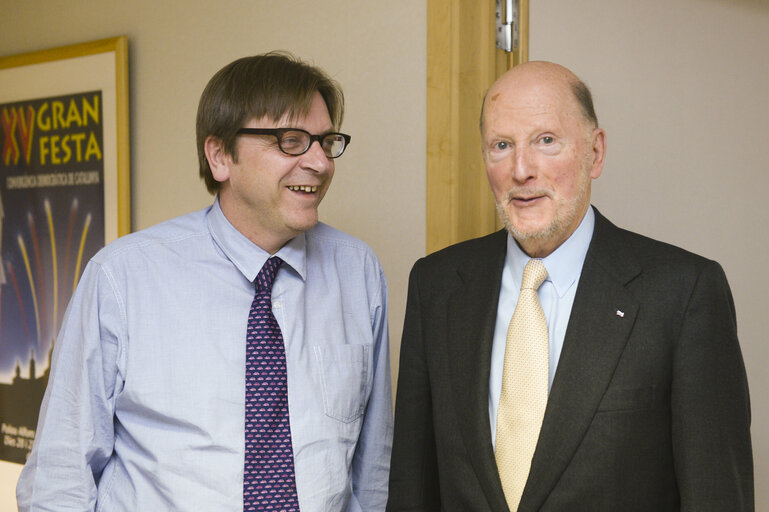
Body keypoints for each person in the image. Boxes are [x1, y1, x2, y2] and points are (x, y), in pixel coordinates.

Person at [17, 52, 392, 511]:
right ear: (219, 156)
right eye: (291, 141)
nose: (320, 162)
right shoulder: (123, 278)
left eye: (326, 141)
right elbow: (60, 475)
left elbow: (373, 467)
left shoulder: (359, 273)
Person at [386, 61, 753, 511]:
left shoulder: (683, 293)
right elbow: (412, 487)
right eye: (501, 145)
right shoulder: (437, 286)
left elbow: (716, 497)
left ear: (595, 153)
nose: (521, 170)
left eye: (546, 141)